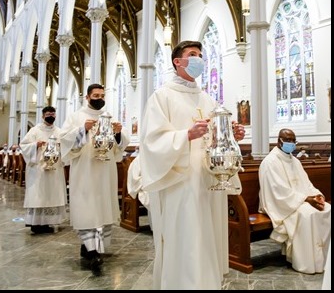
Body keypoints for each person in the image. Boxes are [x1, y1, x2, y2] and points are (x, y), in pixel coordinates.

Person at [135, 40, 246, 289]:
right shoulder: (161, 97)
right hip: (180, 179)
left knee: (208, 234)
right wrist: (185, 135)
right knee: (186, 235)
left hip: (208, 177)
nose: (199, 59)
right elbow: (151, 141)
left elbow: (217, 136)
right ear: (178, 61)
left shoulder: (207, 99)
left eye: (200, 55)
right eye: (192, 55)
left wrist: (231, 134)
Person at [59, 83, 130, 271]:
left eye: (102, 95)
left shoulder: (108, 117)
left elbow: (120, 147)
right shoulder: (76, 117)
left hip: (105, 171)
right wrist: (82, 129)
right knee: (87, 207)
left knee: (101, 206)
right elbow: (64, 140)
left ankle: (89, 247)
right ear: (87, 97)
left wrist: (117, 133)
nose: (100, 98)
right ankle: (91, 251)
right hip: (85, 171)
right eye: (96, 95)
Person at [258, 128, 331, 274]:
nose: (291, 144)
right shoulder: (270, 162)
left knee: (326, 208)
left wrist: (316, 195)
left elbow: (306, 184)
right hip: (280, 204)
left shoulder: (295, 161)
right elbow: (277, 191)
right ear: (280, 141)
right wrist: (305, 199)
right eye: (288, 140)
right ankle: (305, 262)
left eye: (293, 141)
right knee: (307, 214)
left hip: (296, 201)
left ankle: (322, 260)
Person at [19, 106, 68, 234]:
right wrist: (36, 144)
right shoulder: (35, 131)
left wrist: (60, 147)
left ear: (55, 116)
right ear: (43, 116)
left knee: (52, 194)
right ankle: (36, 223)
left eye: (52, 114)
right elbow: (23, 146)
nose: (50, 116)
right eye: (48, 114)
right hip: (38, 170)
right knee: (38, 195)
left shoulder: (59, 132)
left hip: (54, 169)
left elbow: (66, 148)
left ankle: (48, 222)